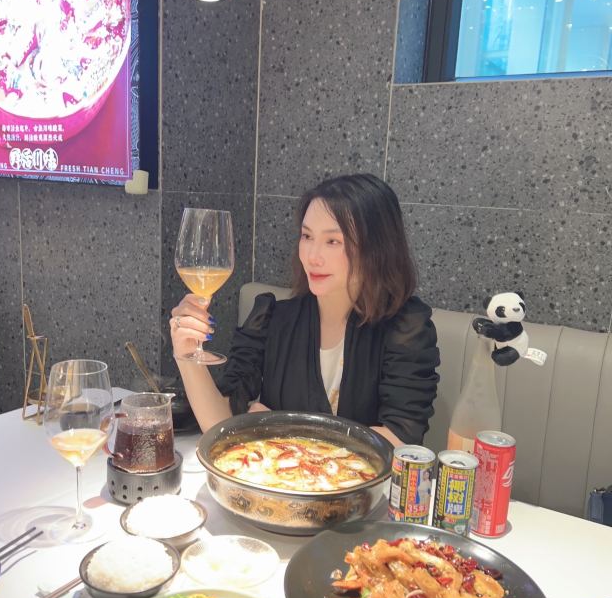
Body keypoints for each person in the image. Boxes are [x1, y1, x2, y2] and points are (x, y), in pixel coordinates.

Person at [170, 174, 440, 446]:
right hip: (275, 473)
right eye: (307, 236)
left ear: (377, 248)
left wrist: (279, 428)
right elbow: (221, 424)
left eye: (333, 241)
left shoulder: (407, 328)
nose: (312, 256)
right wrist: (185, 354)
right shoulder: (273, 319)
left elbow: (400, 440)